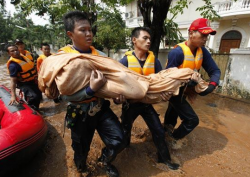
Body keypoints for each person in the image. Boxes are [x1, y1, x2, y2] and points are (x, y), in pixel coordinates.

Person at [58, 11, 124, 177]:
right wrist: (90, 90)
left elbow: (113, 82)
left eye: (90, 29)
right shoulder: (63, 59)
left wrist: (117, 96)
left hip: (101, 108)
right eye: (83, 30)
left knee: (119, 140)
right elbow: (64, 95)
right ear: (70, 34)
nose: (89, 34)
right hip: (79, 113)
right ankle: (81, 169)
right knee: (81, 149)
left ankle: (104, 160)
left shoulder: (101, 56)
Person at [118, 27, 179, 170]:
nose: (148, 41)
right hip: (129, 105)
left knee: (158, 130)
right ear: (134, 40)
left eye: (150, 39)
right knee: (125, 130)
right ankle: (124, 152)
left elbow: (161, 81)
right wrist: (118, 97)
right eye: (145, 38)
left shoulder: (154, 62)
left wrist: (164, 94)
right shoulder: (125, 61)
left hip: (146, 105)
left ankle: (164, 159)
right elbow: (117, 85)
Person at [163, 18, 221, 142]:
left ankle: (164, 136)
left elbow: (215, 71)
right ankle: (173, 140)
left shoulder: (203, 52)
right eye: (203, 34)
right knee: (192, 120)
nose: (205, 38)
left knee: (172, 115)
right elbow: (167, 78)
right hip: (174, 92)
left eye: (207, 35)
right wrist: (188, 82)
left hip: (185, 91)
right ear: (191, 33)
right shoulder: (177, 53)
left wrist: (212, 85)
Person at [6, 44, 42, 111]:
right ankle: (31, 109)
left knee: (39, 95)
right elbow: (13, 81)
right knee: (33, 96)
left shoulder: (24, 57)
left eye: (16, 50)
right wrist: (13, 96)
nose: (15, 52)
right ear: (9, 53)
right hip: (23, 83)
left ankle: (37, 109)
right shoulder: (13, 65)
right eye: (12, 51)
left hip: (32, 80)